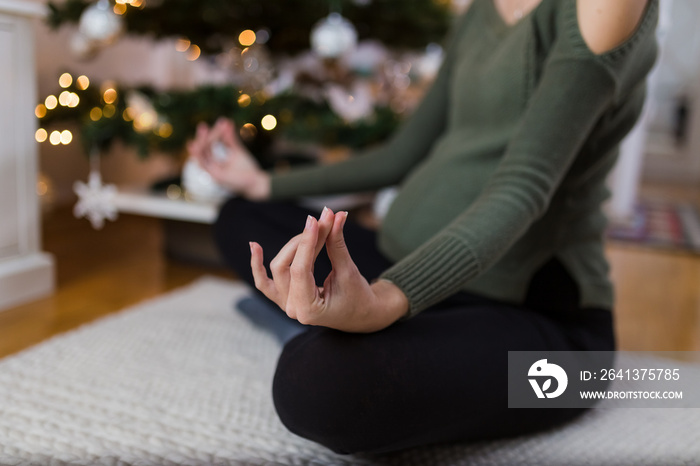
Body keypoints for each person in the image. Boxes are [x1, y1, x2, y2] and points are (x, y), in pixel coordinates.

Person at [188, 0, 658, 455]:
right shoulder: (482, 9)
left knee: (314, 384)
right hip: (403, 261)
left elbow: (523, 187)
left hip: (547, 329)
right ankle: (363, 327)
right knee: (241, 217)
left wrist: (387, 299)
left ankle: (342, 329)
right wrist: (264, 182)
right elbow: (401, 155)